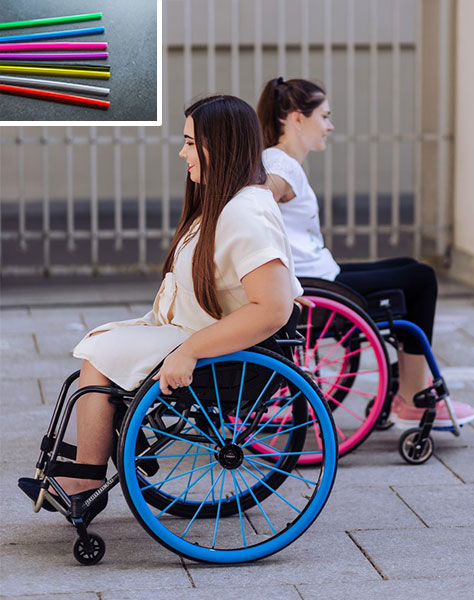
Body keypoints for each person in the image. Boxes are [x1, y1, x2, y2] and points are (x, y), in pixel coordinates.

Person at [19, 95, 304, 519]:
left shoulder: (243, 213)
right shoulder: (227, 203)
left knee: (98, 359)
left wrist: (188, 351)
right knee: (99, 350)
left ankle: (85, 481)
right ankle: (86, 473)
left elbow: (274, 308)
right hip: (192, 331)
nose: (182, 152)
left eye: (190, 143)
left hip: (212, 347)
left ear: (220, 146)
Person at [255, 76, 474, 428]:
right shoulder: (280, 166)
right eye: (324, 116)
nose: (329, 125)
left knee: (409, 266)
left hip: (319, 275)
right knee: (421, 278)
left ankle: (410, 388)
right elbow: (254, 201)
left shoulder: (279, 161)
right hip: (314, 286)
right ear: (297, 118)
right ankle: (413, 397)